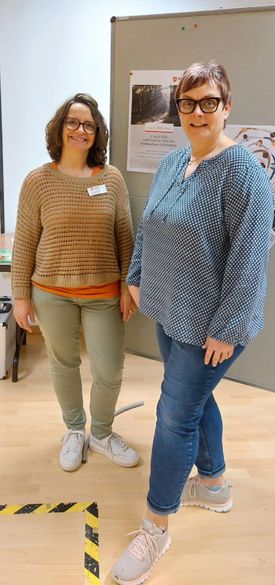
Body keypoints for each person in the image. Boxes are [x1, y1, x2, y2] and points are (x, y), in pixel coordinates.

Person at [111, 62, 274, 584]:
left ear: (227, 106)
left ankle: (156, 525)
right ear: (177, 108)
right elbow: (148, 223)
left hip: (212, 324)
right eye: (188, 102)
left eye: (209, 102)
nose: (198, 112)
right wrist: (136, 275)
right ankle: (214, 484)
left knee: (174, 416)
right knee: (193, 401)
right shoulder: (173, 161)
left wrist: (227, 328)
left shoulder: (243, 172)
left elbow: (250, 259)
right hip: (169, 308)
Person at [12, 93, 139, 472]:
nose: (80, 130)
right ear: (59, 127)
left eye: (88, 124)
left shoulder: (112, 178)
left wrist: (127, 288)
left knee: (110, 369)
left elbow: (126, 239)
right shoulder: (37, 181)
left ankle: (100, 433)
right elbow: (25, 242)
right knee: (63, 364)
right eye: (72, 122)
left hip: (103, 294)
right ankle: (73, 430)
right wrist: (20, 297)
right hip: (51, 294)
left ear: (97, 132)